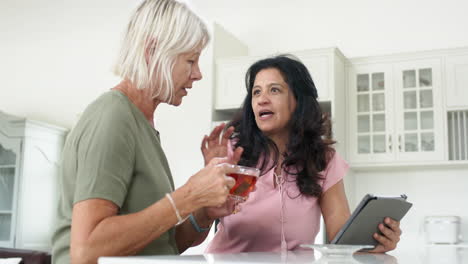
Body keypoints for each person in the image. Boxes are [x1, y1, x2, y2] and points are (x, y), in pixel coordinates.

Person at [51, 1, 243, 263]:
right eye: (191, 60)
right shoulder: (112, 116)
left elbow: (163, 244)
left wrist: (203, 212)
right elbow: (87, 251)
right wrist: (187, 197)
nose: (197, 74)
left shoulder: (144, 124)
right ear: (152, 51)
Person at [201, 55, 402, 253]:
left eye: (274, 90)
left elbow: (341, 239)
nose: (262, 99)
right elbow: (203, 219)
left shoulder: (323, 159)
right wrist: (209, 181)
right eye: (256, 92)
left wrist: (376, 242)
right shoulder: (232, 151)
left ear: (298, 100)